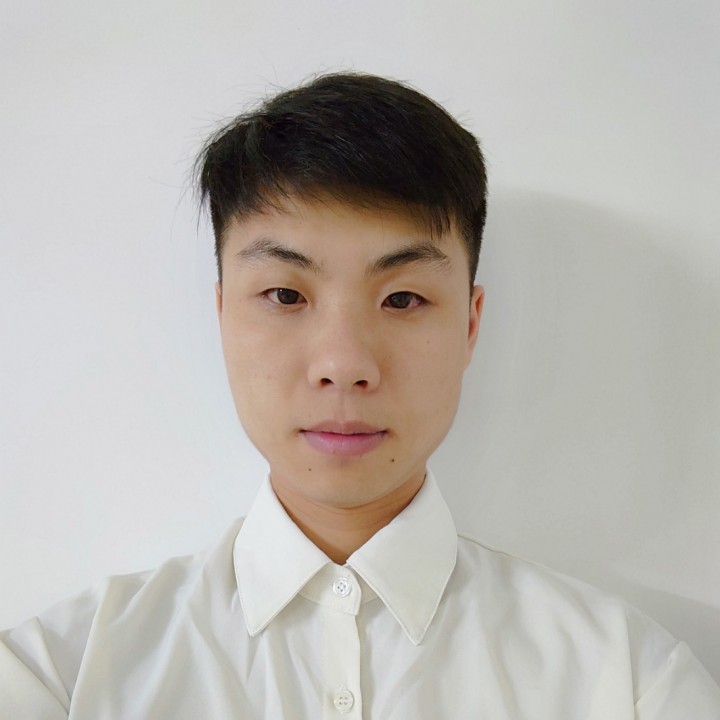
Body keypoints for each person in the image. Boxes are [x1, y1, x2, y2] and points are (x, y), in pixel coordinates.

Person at [1, 72, 718, 718]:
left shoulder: (628, 684)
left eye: (402, 299)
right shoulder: (58, 677)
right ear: (221, 314)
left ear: (470, 326)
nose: (344, 366)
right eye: (285, 295)